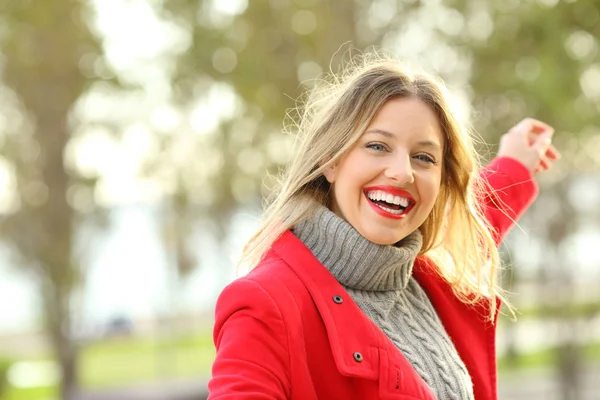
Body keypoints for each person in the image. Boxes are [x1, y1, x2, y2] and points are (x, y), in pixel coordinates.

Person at [207, 54, 559, 399]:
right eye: (377, 146)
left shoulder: (424, 273)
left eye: (424, 157)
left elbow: (474, 225)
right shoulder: (266, 304)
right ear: (330, 160)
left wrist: (515, 163)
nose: (403, 172)